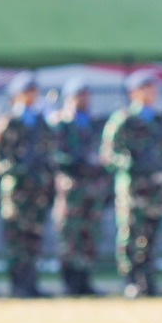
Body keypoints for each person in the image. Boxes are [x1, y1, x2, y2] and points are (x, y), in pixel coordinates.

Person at [101, 71, 162, 298]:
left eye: (153, 88)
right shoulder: (124, 120)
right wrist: (130, 162)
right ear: (134, 92)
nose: (151, 93)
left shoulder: (160, 121)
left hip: (155, 191)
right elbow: (108, 154)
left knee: (151, 235)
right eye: (146, 88)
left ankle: (148, 281)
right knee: (130, 235)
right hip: (132, 190)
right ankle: (131, 280)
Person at [0, 72, 54, 297]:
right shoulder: (7, 122)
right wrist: (13, 169)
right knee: (16, 239)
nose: (31, 97)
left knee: (34, 239)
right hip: (16, 191)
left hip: (37, 191)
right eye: (27, 92)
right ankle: (18, 285)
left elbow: (49, 152)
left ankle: (31, 283)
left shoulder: (40, 122)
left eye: (33, 92)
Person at [52, 78, 109, 296]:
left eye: (86, 95)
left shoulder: (92, 123)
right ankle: (70, 283)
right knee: (70, 237)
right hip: (71, 189)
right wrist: (80, 162)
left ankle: (85, 282)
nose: (83, 100)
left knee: (89, 237)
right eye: (79, 95)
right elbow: (56, 155)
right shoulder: (60, 123)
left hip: (91, 190)